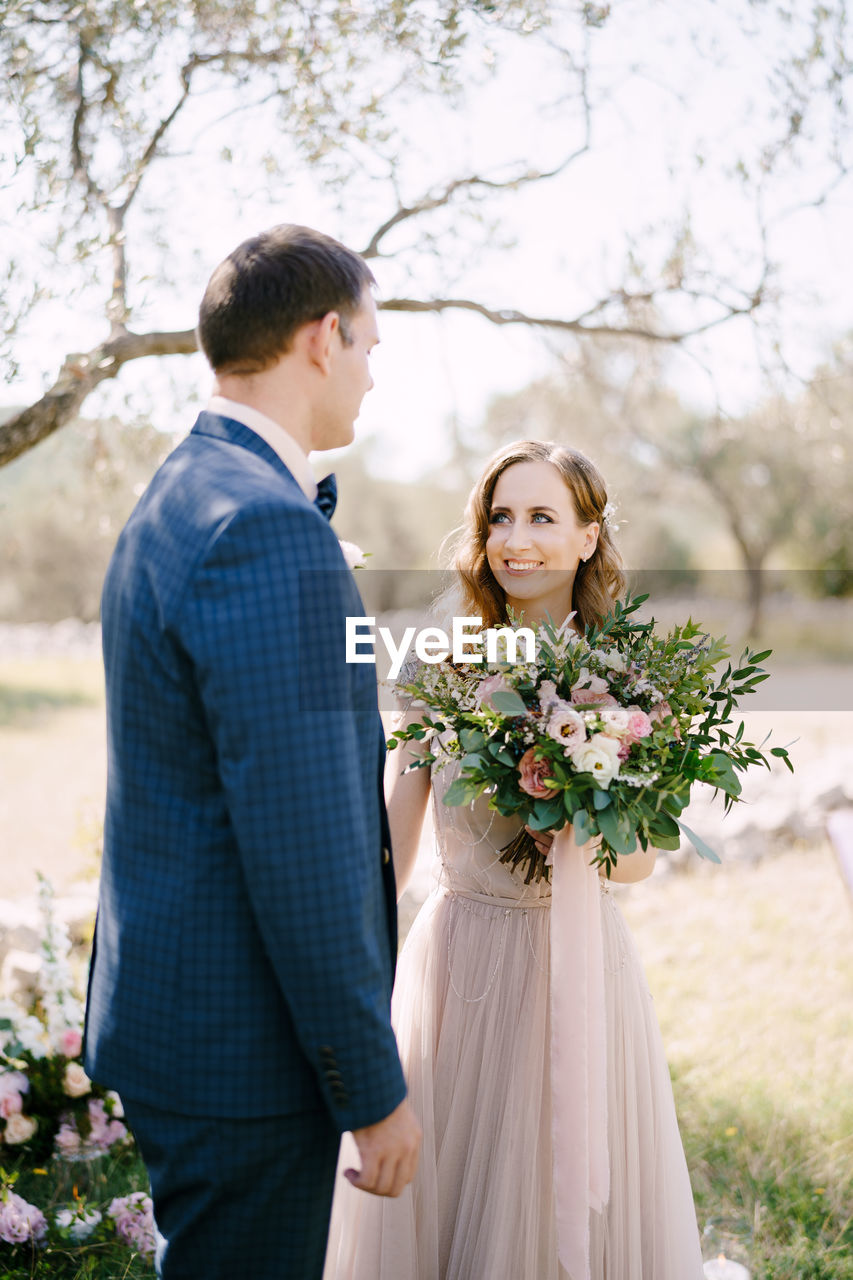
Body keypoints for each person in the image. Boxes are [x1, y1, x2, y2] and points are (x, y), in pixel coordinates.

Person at [83, 224, 421, 1280]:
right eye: (368, 343)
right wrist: (370, 1085)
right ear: (323, 338)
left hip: (178, 1019)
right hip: (244, 1053)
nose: (371, 372)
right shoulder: (264, 528)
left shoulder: (178, 493)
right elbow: (304, 845)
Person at [323, 440, 704, 1279]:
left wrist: (576, 810)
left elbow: (638, 867)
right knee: (458, 1189)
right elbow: (398, 829)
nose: (515, 539)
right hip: (459, 962)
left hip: (579, 963)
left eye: (541, 517)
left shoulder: (628, 673)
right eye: (500, 517)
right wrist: (352, 967)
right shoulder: (443, 651)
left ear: (587, 536)